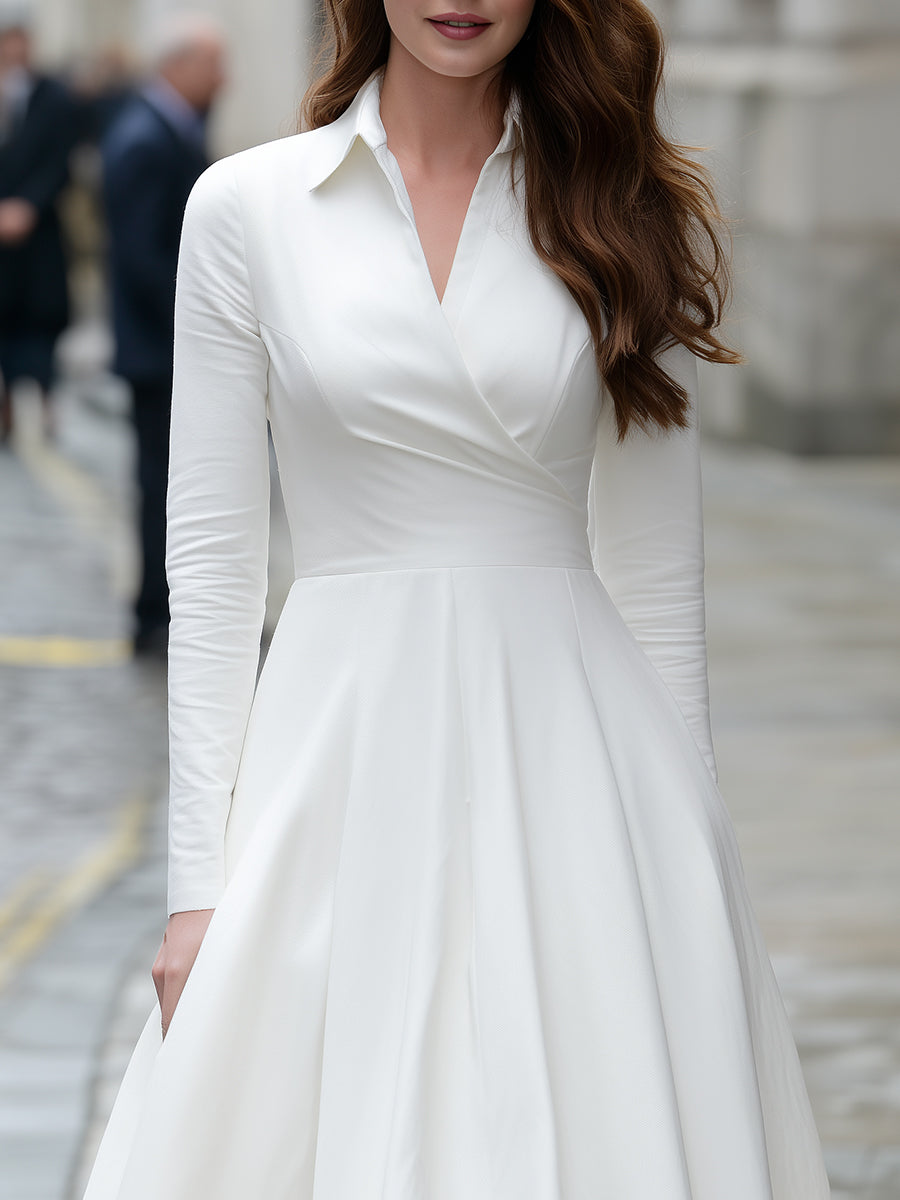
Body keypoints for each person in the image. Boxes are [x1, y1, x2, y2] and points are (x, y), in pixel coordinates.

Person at [82, 0, 832, 1196]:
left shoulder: (619, 206)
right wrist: (193, 897)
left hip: (576, 763)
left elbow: (656, 574)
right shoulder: (248, 209)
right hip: (336, 755)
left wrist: (694, 869)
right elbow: (214, 572)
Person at [101, 14, 226, 656]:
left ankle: (168, 607)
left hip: (162, 346)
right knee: (164, 486)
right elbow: (146, 259)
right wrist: (207, 324)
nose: (224, 77)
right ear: (179, 66)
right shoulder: (145, 139)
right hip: (161, 352)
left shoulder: (164, 129)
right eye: (214, 64)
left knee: (177, 484)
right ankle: (156, 611)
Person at [0, 9, 77, 442]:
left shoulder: (53, 96)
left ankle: (46, 400)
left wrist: (28, 206)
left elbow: (60, 163)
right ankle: (7, 402)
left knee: (42, 322)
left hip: (40, 234)